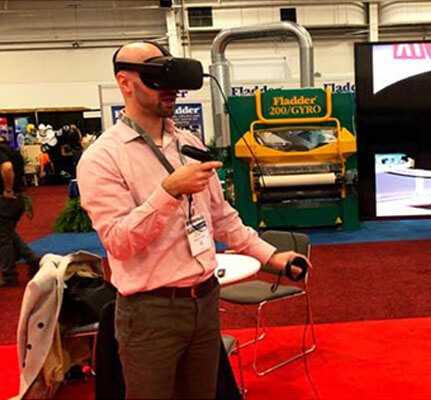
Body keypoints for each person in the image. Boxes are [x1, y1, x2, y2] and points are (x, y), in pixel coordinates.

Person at [76, 41, 309, 399]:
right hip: (150, 313)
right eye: (157, 76)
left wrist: (271, 256)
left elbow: (221, 216)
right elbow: (119, 243)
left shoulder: (187, 142)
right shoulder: (102, 158)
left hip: (204, 301)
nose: (170, 88)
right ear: (125, 83)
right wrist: (168, 192)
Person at [0, 136, 41, 287]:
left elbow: (7, 167)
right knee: (8, 233)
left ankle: (9, 275)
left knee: (3, 238)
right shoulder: (11, 150)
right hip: (19, 198)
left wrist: (7, 189)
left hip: (6, 199)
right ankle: (32, 259)